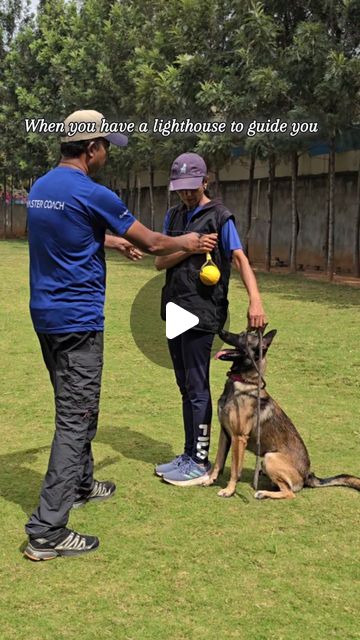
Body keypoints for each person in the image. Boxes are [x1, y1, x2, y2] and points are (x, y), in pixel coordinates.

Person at [24, 111, 217, 561]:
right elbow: (152, 241)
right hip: (78, 321)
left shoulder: (41, 189)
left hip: (46, 316)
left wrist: (107, 242)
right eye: (106, 145)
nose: (108, 153)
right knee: (75, 417)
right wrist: (189, 243)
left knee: (76, 405)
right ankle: (47, 532)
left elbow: (64, 235)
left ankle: (83, 483)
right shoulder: (94, 192)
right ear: (90, 148)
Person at [154, 152, 267, 486]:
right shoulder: (173, 215)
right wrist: (189, 247)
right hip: (174, 307)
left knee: (197, 385)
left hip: (202, 312)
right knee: (183, 385)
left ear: (206, 181)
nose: (187, 194)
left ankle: (201, 461)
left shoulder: (220, 216)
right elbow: (160, 263)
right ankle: (189, 452)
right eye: (181, 189)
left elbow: (240, 258)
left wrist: (255, 299)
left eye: (193, 187)